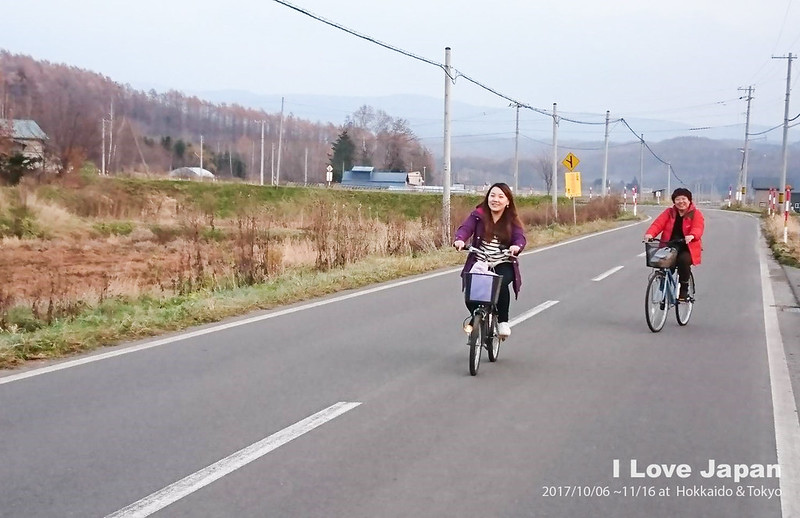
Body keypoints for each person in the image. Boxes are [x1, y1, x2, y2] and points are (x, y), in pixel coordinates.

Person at [453, 183, 526, 338]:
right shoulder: (478, 215)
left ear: (508, 201)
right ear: (487, 198)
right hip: (480, 261)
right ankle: (476, 317)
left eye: (501, 197)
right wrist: (460, 240)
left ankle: (503, 322)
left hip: (502, 262)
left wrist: (516, 246)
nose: (496, 200)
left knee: (500, 284)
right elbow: (465, 228)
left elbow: (520, 237)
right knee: (472, 290)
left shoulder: (511, 220)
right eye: (492, 195)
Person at [644, 187, 705, 301]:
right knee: (663, 263)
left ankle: (684, 290)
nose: (681, 202)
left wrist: (692, 235)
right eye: (677, 199)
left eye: (684, 199)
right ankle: (663, 289)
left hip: (688, 247)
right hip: (670, 246)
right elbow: (658, 224)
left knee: (683, 261)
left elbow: (698, 227)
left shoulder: (695, 214)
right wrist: (650, 234)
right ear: (674, 201)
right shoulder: (669, 212)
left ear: (689, 200)